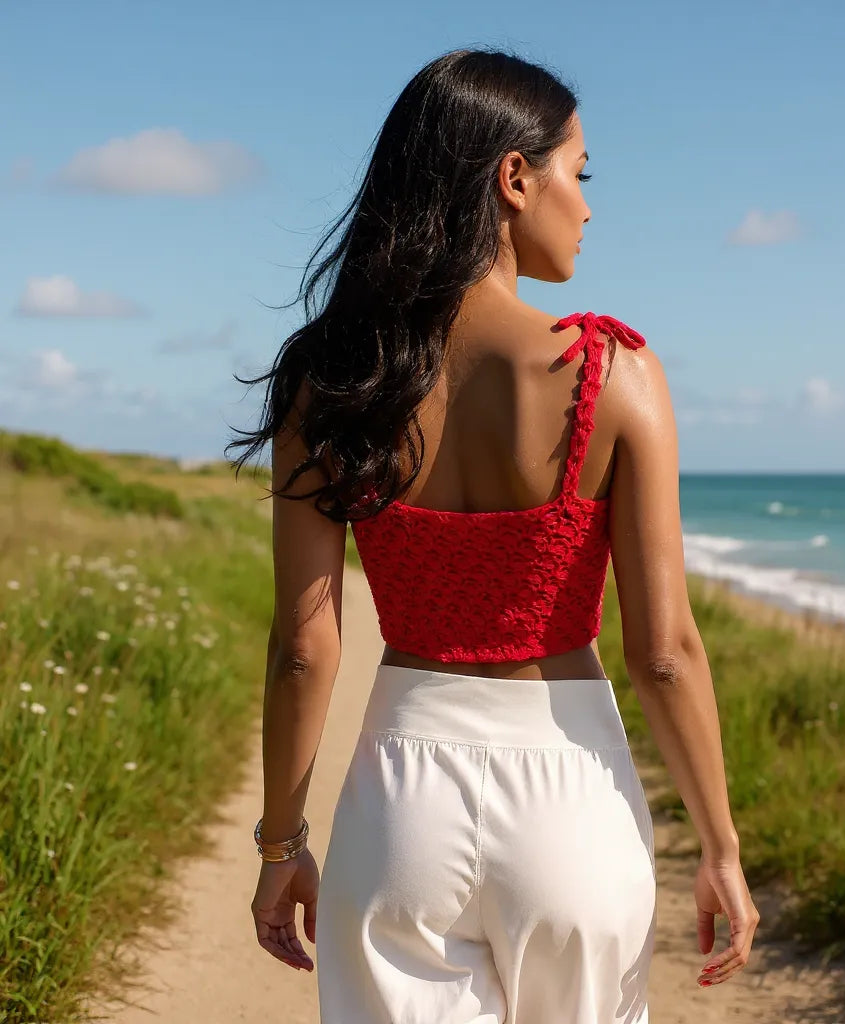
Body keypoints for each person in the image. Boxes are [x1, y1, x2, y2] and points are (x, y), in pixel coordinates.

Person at [226, 46, 759, 1024]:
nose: (589, 206)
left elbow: (305, 646)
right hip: (572, 796)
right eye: (579, 173)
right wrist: (719, 846)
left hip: (401, 801)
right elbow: (667, 654)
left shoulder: (330, 380)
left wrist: (279, 844)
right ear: (515, 178)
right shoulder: (612, 372)